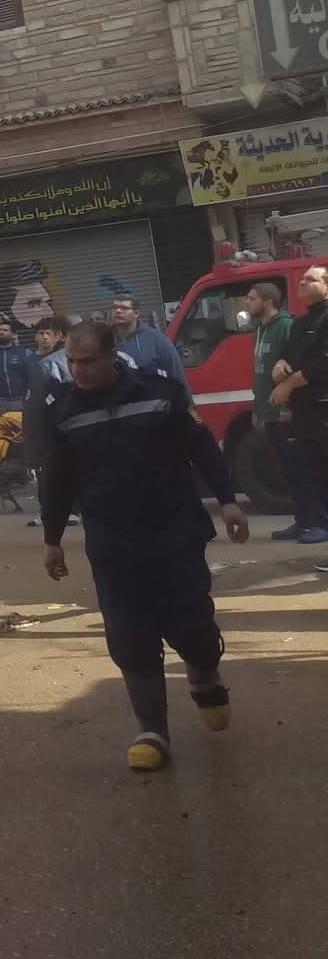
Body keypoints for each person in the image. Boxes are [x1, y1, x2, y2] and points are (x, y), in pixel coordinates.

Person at [36, 321, 248, 772]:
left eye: (87, 361)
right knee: (130, 635)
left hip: (175, 533)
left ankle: (204, 674)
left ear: (113, 356)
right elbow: (57, 478)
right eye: (71, 361)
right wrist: (52, 538)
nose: (77, 370)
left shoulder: (162, 392)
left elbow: (202, 447)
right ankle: (153, 731)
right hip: (113, 543)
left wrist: (227, 500)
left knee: (193, 625)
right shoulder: (63, 410)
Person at [248, 280, 321, 544]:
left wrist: (288, 406)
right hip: (268, 411)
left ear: (267, 302)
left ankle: (316, 521)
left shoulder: (286, 326)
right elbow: (260, 372)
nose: (247, 303)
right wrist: (257, 407)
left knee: (303, 470)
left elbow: (294, 365)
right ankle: (302, 521)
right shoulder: (260, 329)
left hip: (285, 412)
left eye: (252, 298)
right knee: (287, 471)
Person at [271, 266, 328, 557]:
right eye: (302, 279)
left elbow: (324, 363)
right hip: (304, 412)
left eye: (311, 279)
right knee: (314, 472)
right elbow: (290, 356)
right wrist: (280, 365)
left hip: (324, 408)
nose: (302, 283)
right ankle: (317, 523)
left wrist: (289, 384)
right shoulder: (299, 324)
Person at [22, 315, 77, 530]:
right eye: (41, 333)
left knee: (66, 465)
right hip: (36, 420)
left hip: (59, 419)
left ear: (58, 337)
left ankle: (72, 511)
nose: (44, 337)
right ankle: (46, 512)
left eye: (48, 333)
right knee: (42, 468)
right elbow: (26, 390)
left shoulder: (64, 358)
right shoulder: (29, 361)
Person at [111, 293, 184, 379]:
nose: (118, 311)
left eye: (124, 308)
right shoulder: (103, 339)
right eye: (115, 307)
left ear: (136, 313)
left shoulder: (157, 340)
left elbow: (176, 374)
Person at [0, 314, 33, 420]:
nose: (1, 332)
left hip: (20, 401)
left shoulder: (24, 352)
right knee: (2, 429)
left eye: (5, 330)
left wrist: (30, 394)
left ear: (13, 334)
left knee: (23, 428)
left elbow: (33, 375)